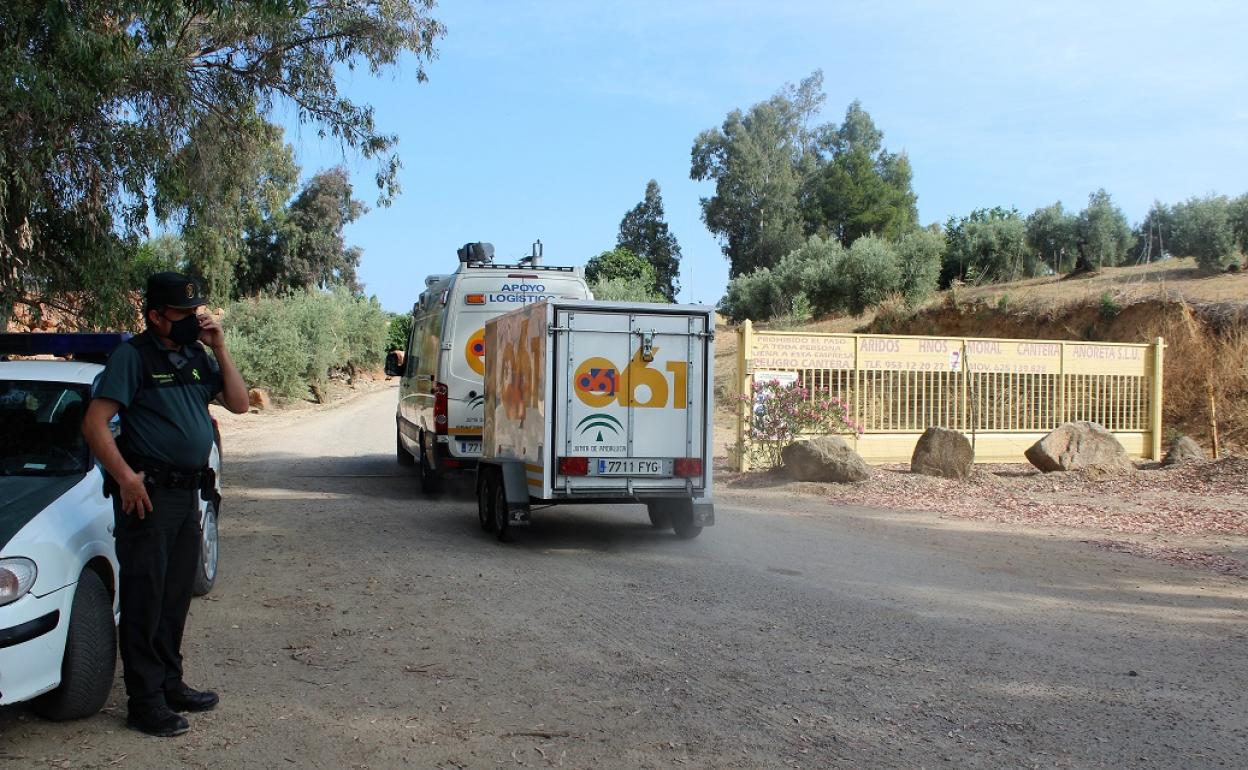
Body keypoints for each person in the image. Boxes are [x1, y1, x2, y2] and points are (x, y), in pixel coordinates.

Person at [82, 272, 249, 737]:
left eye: (197, 313)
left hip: (186, 494)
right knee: (145, 599)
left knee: (175, 596)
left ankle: (170, 683)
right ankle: (145, 701)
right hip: (148, 499)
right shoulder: (132, 358)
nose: (193, 320)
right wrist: (126, 478)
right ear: (155, 316)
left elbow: (239, 404)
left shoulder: (196, 355)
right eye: (183, 314)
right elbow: (95, 425)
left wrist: (219, 347)